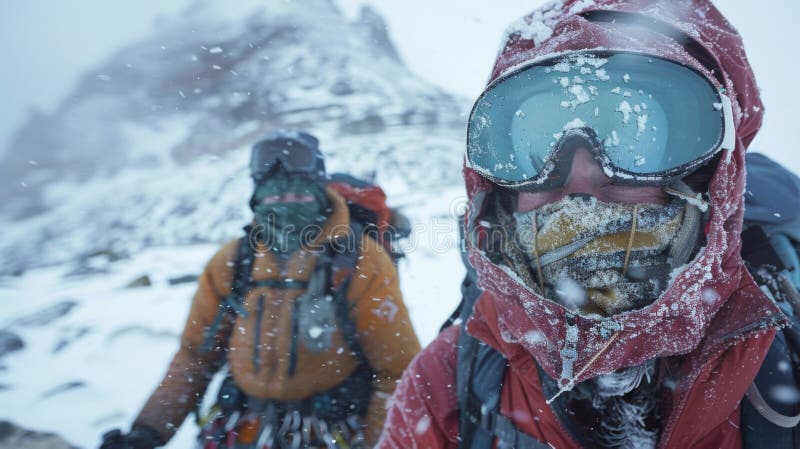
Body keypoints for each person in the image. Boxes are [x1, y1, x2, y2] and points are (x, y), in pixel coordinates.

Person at [378, 1, 799, 448]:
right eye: (537, 144)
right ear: (502, 190)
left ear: (708, 176)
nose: (581, 181)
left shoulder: (783, 360)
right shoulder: (444, 384)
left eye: (632, 136)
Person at [99, 129, 421, 449]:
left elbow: (397, 370)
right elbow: (194, 359)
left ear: (320, 192)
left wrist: (380, 443)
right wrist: (147, 431)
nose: (285, 205)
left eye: (298, 196)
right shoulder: (234, 262)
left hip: (328, 432)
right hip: (243, 427)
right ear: (256, 198)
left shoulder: (361, 260)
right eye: (275, 197)